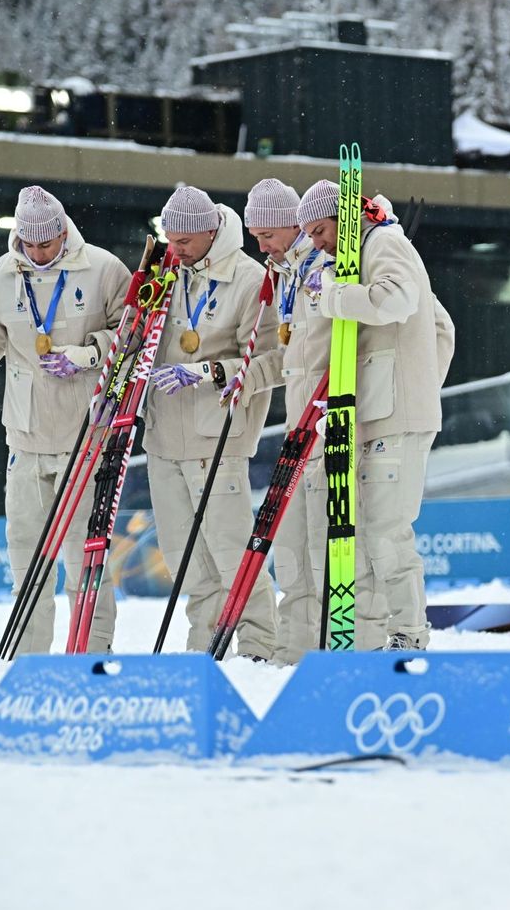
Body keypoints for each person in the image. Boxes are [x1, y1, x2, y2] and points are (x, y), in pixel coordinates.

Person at [0, 185, 130, 653]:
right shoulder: (2, 274)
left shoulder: (104, 269)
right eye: (30, 244)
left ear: (64, 231)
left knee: (84, 560)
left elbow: (131, 337)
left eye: (47, 243)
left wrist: (88, 355)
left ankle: (91, 650)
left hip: (84, 435)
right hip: (25, 436)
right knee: (27, 557)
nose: (39, 252)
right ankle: (28, 658)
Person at [297, 179, 454, 651]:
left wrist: (334, 296)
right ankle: (383, 636)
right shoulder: (363, 249)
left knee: (387, 531)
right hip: (378, 414)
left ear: (346, 219)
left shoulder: (385, 242)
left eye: (321, 231)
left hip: (394, 418)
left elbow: (400, 301)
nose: (317, 243)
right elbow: (439, 326)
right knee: (366, 533)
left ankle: (409, 634)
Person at [145, 185, 281, 659]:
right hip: (163, 438)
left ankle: (260, 645)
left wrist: (208, 371)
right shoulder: (165, 273)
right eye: (170, 240)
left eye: (183, 242)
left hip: (217, 438)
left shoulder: (249, 279)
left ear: (210, 231)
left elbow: (270, 359)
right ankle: (202, 650)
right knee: (187, 561)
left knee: (232, 556)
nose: (175, 250)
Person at [244, 177, 330, 666]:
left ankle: (335, 644)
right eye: (254, 237)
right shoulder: (286, 274)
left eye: (265, 236)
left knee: (323, 548)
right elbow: (290, 357)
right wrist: (242, 378)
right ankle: (292, 650)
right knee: (293, 548)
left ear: (292, 224)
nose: (261, 247)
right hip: (298, 428)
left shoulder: (330, 265)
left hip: (329, 427)